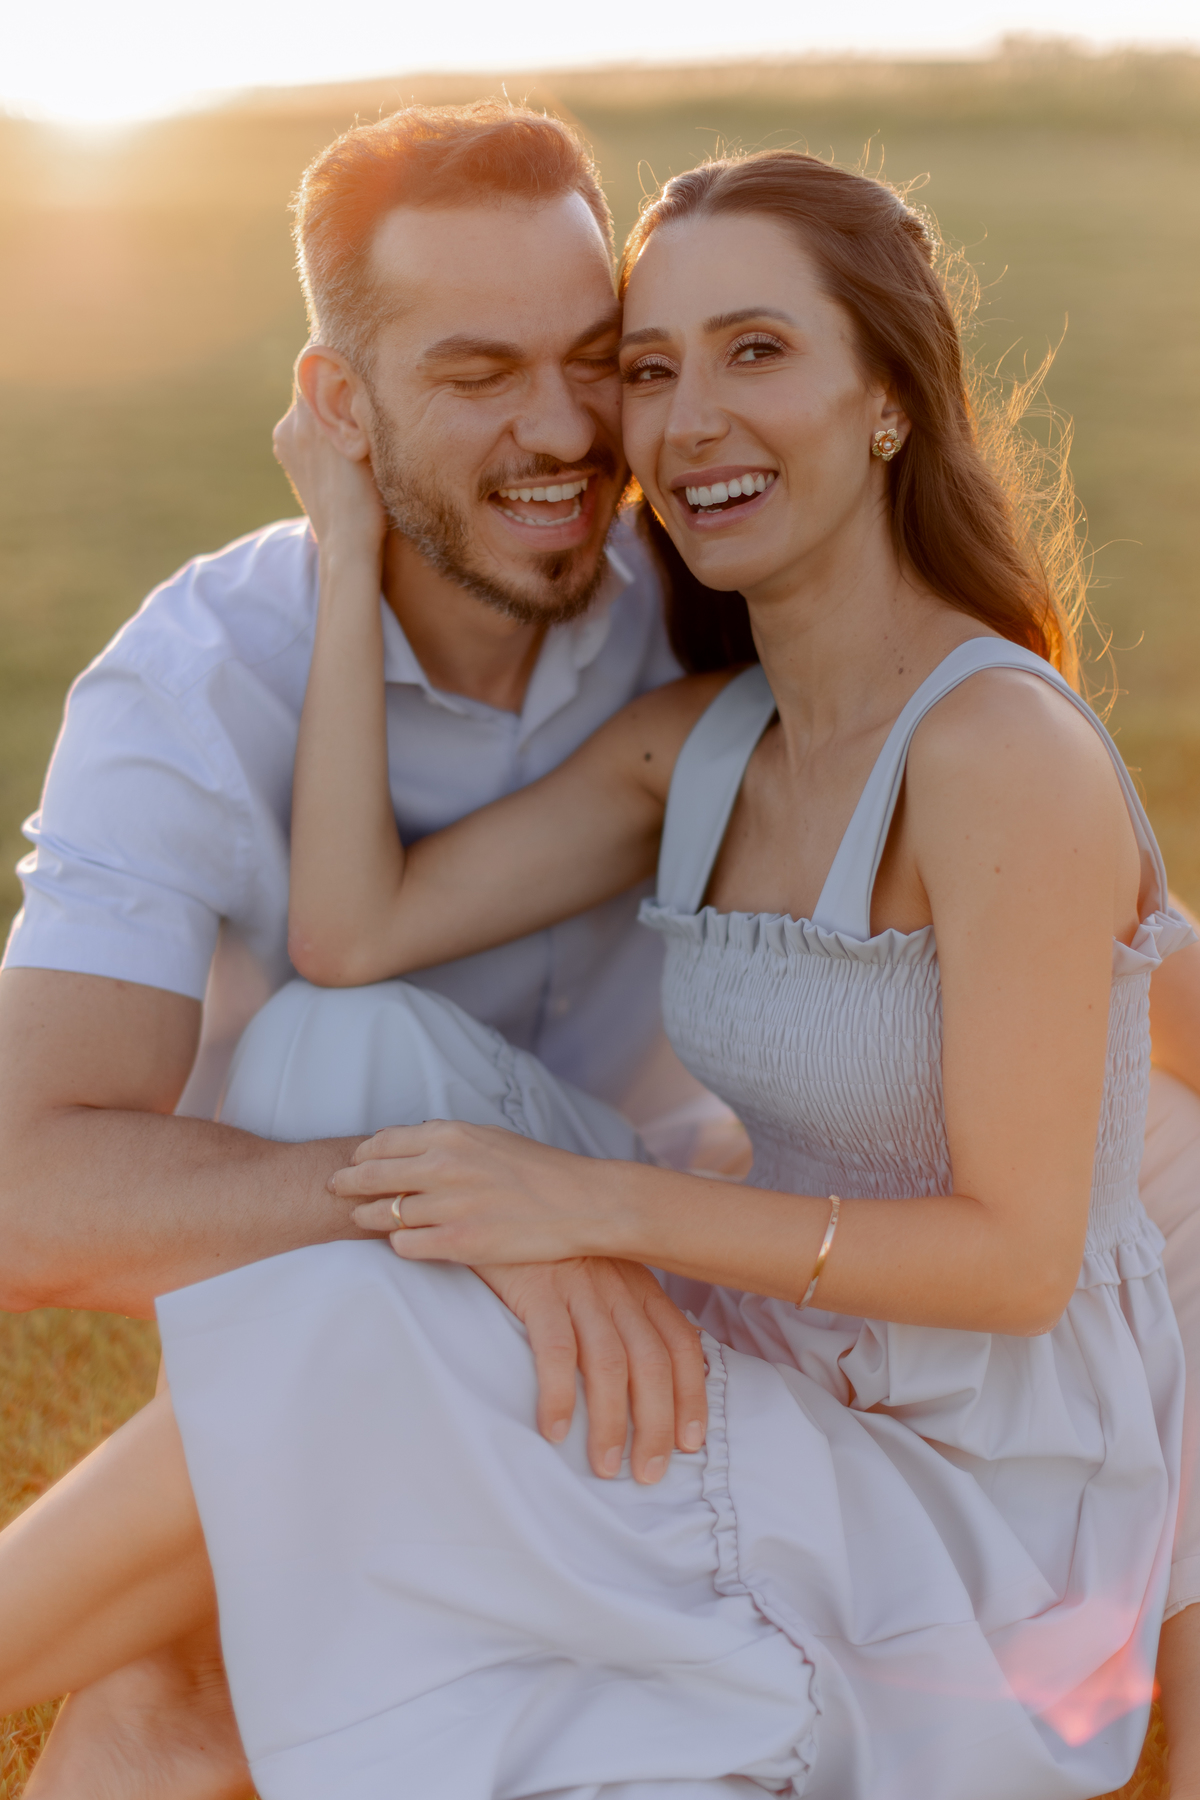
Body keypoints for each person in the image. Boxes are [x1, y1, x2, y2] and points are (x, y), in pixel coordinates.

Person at [0, 143, 1193, 1800]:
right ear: (344, 400)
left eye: (750, 352)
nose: (647, 424)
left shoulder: (983, 749)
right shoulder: (704, 731)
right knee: (328, 1054)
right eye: (657, 366)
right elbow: (345, 947)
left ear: (889, 399)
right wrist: (343, 549)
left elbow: (1036, 1236)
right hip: (749, 1322)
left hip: (952, 1481)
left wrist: (577, 1215)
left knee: (263, 1530)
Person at [0, 103, 717, 1800]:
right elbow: (26, 1195)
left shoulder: (718, 611)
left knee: (200, 1684)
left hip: (683, 1337)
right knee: (186, 1695)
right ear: (340, 405)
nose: (562, 430)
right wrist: (466, 1214)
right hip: (332, 1343)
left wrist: (564, 1219)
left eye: (594, 360)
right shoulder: (198, 684)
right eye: (478, 375)